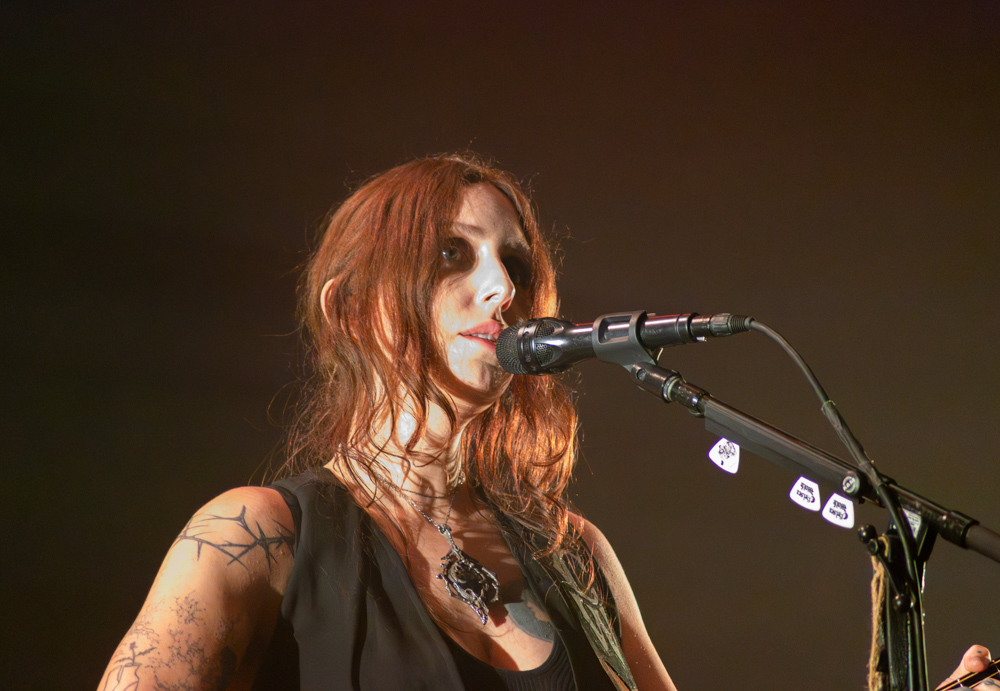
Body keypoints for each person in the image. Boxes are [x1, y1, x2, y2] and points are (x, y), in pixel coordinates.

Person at [98, 154, 991, 690]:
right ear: (351, 309)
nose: (502, 287)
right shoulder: (254, 538)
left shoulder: (576, 555)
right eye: (452, 255)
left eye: (515, 263)